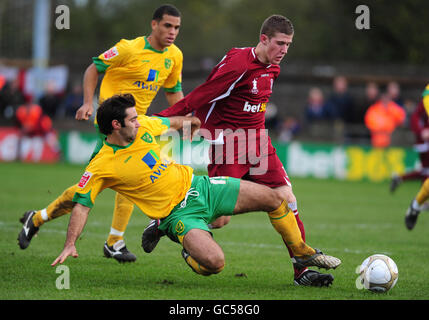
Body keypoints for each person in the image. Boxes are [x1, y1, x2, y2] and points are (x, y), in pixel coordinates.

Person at [51, 94, 342, 278]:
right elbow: (82, 205)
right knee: (215, 264)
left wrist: (189, 123)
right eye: (132, 119)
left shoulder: (146, 127)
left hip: (201, 187)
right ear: (116, 125)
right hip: (179, 215)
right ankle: (176, 239)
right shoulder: (102, 165)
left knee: (274, 199)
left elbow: (176, 122)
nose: (138, 122)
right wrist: (70, 243)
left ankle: (302, 252)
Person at [144, 14, 336, 287]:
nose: (284, 50)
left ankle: (301, 272)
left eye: (288, 45)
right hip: (228, 145)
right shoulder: (238, 66)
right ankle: (167, 221)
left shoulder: (272, 68)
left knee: (287, 198)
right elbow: (200, 96)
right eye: (279, 43)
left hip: (258, 144)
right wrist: (156, 122)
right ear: (264, 39)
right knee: (220, 219)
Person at [18, 4, 184, 263]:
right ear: (154, 25)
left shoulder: (174, 56)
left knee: (116, 180)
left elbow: (173, 90)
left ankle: (107, 237)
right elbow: (93, 68)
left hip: (139, 125)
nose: (172, 31)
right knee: (102, 183)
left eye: (176, 27)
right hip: (114, 126)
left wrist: (182, 117)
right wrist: (87, 102)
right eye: (167, 26)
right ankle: (115, 238)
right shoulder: (128, 49)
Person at [391, 84, 429, 192]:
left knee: (426, 170)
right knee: (426, 169)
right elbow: (415, 117)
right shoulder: (426, 102)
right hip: (425, 140)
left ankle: (399, 178)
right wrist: (422, 132)